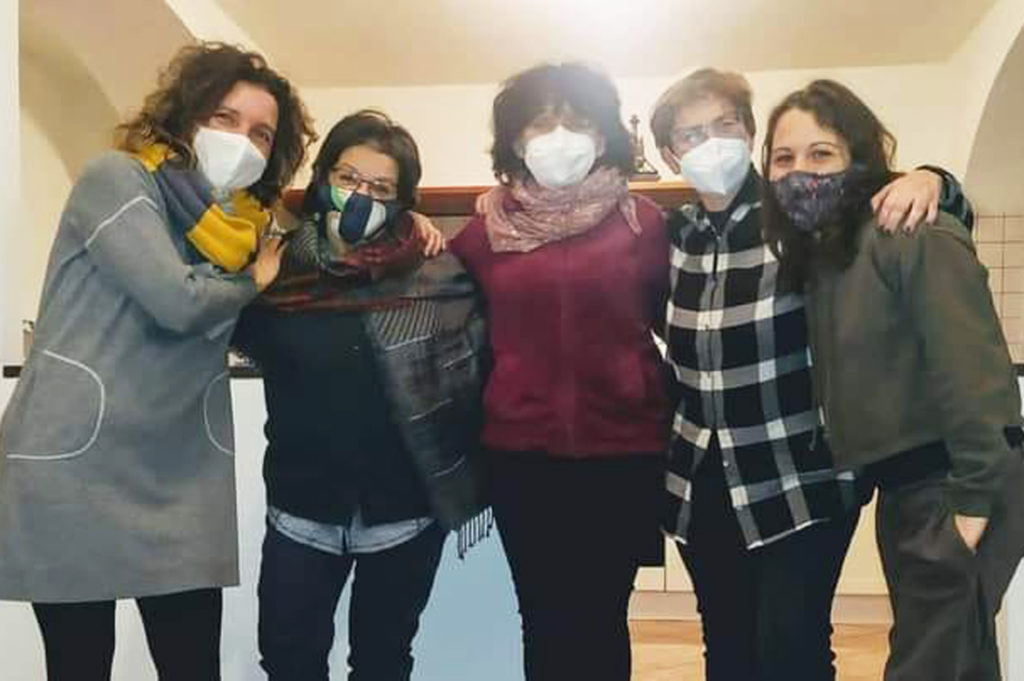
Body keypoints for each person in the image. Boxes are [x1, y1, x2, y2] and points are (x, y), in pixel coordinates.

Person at [0, 42, 315, 680]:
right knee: (79, 666)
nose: (242, 141)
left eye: (261, 133)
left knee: (192, 666)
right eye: (224, 118)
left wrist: (416, 232)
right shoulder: (117, 179)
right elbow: (175, 300)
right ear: (187, 115)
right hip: (75, 466)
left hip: (181, 473)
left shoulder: (246, 231)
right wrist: (252, 282)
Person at [648, 68, 975, 680]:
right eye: (691, 134)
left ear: (750, 135)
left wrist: (935, 179)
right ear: (670, 155)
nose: (711, 142)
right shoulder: (671, 237)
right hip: (701, 479)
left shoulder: (802, 215)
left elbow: (900, 207)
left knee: (791, 648)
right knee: (726, 647)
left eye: (725, 125)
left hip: (803, 473)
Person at [762, 78, 1024, 681]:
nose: (800, 172)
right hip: (906, 486)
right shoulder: (829, 252)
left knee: (928, 664)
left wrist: (972, 506)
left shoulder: (909, 230)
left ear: (858, 157)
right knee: (958, 659)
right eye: (784, 158)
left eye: (821, 153)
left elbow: (977, 375)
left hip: (954, 483)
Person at [231, 109, 489, 681]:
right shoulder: (278, 266)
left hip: (403, 511)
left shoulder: (434, 269)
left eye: (381, 189)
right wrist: (247, 282)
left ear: (403, 201)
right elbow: (218, 325)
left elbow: (475, 368)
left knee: (382, 662)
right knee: (288, 660)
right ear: (323, 177)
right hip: (301, 506)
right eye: (348, 178)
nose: (361, 196)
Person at [448, 62, 670, 681]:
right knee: (543, 617)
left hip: (624, 453)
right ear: (515, 141)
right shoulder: (486, 232)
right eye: (541, 123)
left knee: (603, 615)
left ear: (604, 135)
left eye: (578, 122)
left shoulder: (645, 223)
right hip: (522, 457)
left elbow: (678, 320)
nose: (560, 137)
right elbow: (437, 291)